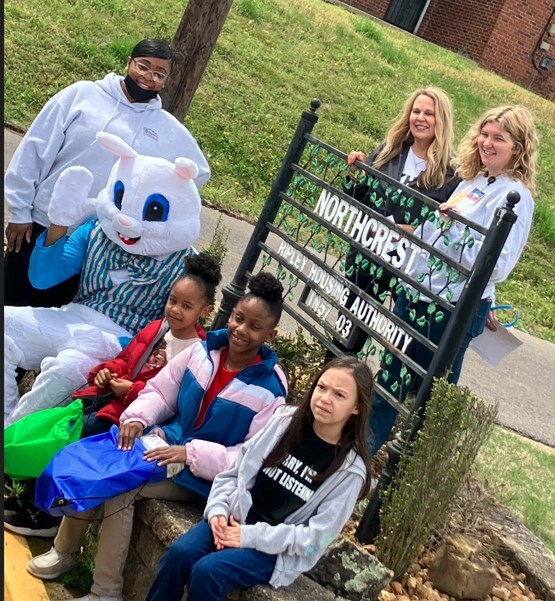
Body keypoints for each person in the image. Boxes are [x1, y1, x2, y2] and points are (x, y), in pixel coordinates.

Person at [26, 272, 289, 601]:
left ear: (270, 334)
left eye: (254, 326)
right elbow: (161, 392)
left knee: (124, 488)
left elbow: (250, 458)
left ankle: (105, 591)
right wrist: (138, 417)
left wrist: (190, 454)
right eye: (238, 318)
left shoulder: (270, 391)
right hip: (164, 446)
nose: (240, 330)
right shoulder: (204, 352)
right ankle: (65, 550)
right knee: (103, 457)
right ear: (231, 312)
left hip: (205, 478)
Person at [3, 252, 222, 538]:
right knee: (66, 422)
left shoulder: (198, 352)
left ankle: (48, 514)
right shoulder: (157, 328)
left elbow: (173, 400)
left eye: (187, 306)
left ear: (205, 311)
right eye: (172, 301)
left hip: (137, 421)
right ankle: (32, 493)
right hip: (111, 401)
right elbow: (125, 359)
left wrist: (130, 391)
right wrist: (107, 372)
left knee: (85, 436)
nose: (176, 310)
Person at [369, 105, 539, 454]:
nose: (486, 143)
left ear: (518, 147)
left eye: (499, 139)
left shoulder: (516, 198)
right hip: (419, 291)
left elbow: (498, 266)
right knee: (391, 376)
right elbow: (435, 232)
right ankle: (361, 454)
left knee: (430, 397)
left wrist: (451, 230)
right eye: (484, 134)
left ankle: (406, 475)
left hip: (453, 307)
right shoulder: (471, 180)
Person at [144, 355, 373, 601]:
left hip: (273, 550)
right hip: (234, 518)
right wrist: (218, 511)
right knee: (178, 555)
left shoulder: (350, 470)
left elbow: (316, 539)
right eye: (322, 387)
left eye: (339, 395)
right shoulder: (284, 422)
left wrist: (248, 536)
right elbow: (234, 473)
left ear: (357, 407)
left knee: (208, 572)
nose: (325, 399)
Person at [4, 37, 210, 308]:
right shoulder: (81, 95)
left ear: (166, 80)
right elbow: (35, 148)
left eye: (159, 74)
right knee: (11, 302)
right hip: (40, 223)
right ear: (129, 63)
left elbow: (199, 172)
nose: (149, 77)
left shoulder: (166, 129)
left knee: (55, 314)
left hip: (94, 241)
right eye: (143, 66)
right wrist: (19, 210)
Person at [332, 86, 460, 356]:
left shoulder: (452, 174)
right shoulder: (390, 150)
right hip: (368, 255)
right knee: (345, 336)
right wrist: (355, 176)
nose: (420, 118)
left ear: (442, 121)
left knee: (400, 348)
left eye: (429, 113)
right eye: (416, 111)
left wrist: (418, 231)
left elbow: (449, 226)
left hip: (409, 270)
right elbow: (360, 195)